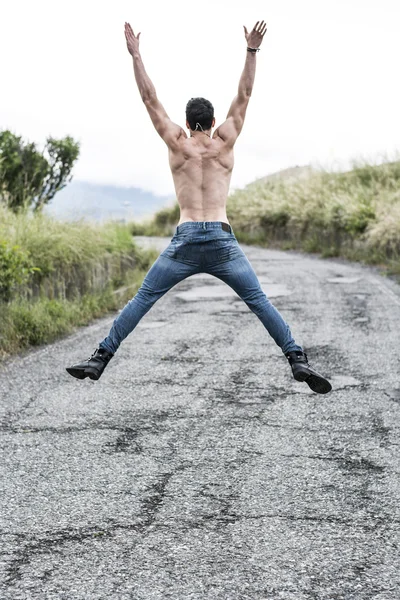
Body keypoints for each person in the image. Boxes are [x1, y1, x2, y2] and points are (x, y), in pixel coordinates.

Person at [66, 20, 332, 394]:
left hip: (186, 239)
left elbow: (149, 99)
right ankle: (297, 359)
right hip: (222, 241)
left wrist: (136, 55)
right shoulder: (226, 141)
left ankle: (99, 359)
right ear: (211, 122)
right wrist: (251, 51)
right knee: (258, 301)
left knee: (142, 299)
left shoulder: (177, 142)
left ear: (189, 122)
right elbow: (244, 94)